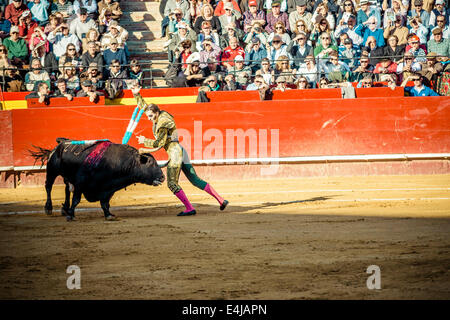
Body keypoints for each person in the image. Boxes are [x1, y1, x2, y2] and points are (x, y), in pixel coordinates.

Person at [133, 85, 228, 216]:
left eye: (150, 116)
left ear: (156, 113)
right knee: (194, 179)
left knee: (172, 183)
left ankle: (190, 208)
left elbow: (159, 143)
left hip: (175, 153)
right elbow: (145, 107)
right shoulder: (159, 114)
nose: (149, 118)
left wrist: (145, 141)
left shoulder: (162, 123)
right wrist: (137, 94)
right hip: (180, 150)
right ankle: (221, 200)